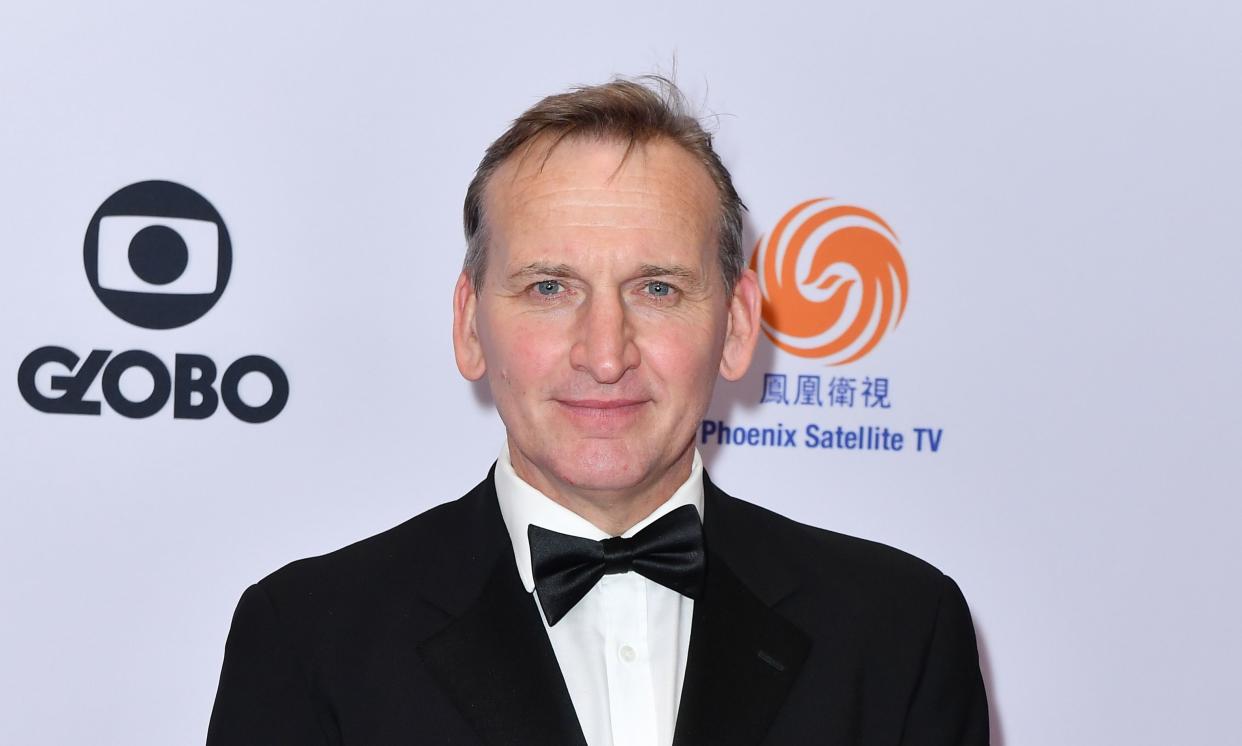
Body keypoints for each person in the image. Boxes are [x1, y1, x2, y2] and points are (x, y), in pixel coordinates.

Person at [207, 76, 989, 745]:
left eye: (657, 288)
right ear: (470, 325)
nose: (605, 353)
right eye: (551, 288)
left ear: (739, 325)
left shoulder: (899, 630)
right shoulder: (310, 636)